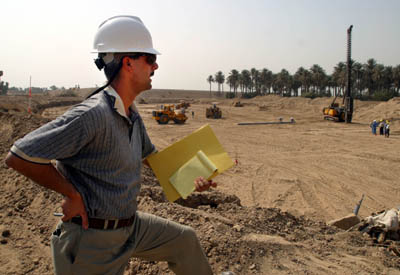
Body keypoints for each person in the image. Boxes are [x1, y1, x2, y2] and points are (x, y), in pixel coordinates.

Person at [4, 15, 216, 275]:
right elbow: (19, 156)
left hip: (129, 227)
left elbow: (157, 163)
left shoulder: (132, 115)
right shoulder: (92, 115)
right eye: (150, 59)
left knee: (184, 240)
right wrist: (72, 195)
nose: (156, 66)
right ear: (128, 63)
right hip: (91, 238)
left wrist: (195, 177)